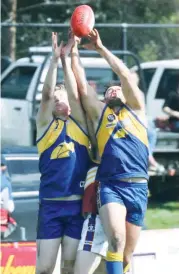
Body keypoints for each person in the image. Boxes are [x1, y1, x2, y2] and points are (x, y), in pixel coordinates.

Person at [71, 29, 149, 274]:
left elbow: (125, 74)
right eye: (109, 90)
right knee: (116, 239)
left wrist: (100, 48)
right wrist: (72, 53)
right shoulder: (101, 115)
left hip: (138, 186)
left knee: (127, 255)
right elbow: (82, 88)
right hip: (111, 186)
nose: (114, 89)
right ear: (104, 99)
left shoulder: (137, 109)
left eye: (118, 89)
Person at [35, 32, 91, 274]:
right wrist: (55, 60)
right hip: (51, 206)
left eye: (62, 98)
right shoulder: (45, 126)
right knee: (45, 268)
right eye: (56, 100)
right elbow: (46, 94)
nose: (58, 101)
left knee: (68, 268)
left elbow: (77, 91)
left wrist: (69, 60)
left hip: (76, 207)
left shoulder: (80, 124)